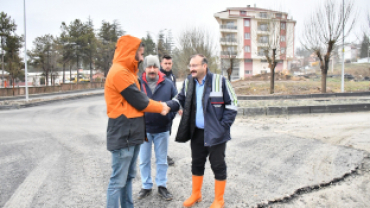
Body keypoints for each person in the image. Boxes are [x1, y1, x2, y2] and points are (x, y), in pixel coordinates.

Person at [104, 35, 170, 208]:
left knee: (128, 178)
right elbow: (139, 100)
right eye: (140, 54)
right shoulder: (119, 72)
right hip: (122, 132)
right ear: (130, 52)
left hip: (132, 133)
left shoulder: (128, 73)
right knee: (118, 180)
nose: (141, 58)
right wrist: (161, 107)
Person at [166, 54, 238, 208]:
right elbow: (180, 99)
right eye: (190, 66)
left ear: (204, 66)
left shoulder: (220, 81)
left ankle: (219, 200)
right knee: (197, 163)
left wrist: (223, 127)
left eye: (195, 66)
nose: (191, 69)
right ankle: (196, 194)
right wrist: (168, 105)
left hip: (216, 133)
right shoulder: (188, 82)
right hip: (197, 132)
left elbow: (233, 104)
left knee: (217, 164)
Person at [137, 55, 178, 201]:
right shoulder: (137, 83)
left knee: (162, 160)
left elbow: (177, 102)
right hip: (143, 130)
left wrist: (169, 117)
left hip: (162, 129)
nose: (152, 69)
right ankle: (146, 185)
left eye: (155, 66)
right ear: (145, 68)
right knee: (144, 160)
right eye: (149, 66)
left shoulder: (167, 83)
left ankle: (162, 186)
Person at [160, 55, 177, 166]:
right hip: (160, 110)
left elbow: (175, 95)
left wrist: (175, 110)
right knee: (161, 134)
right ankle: (162, 156)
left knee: (167, 132)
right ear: (161, 64)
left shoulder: (172, 77)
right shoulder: (157, 76)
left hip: (170, 111)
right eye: (165, 63)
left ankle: (162, 154)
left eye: (169, 63)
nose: (167, 65)